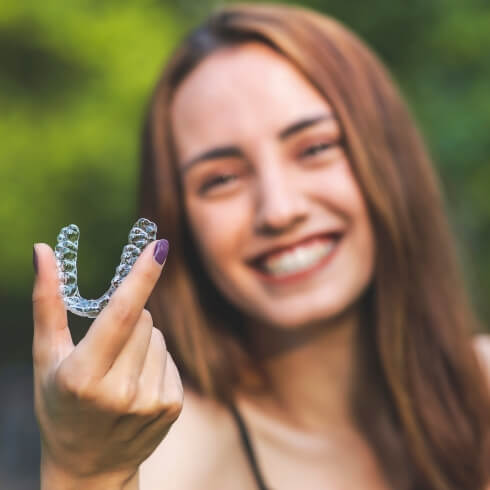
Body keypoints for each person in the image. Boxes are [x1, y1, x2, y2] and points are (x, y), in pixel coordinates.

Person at [32, 4, 490, 490]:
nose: (279, 209)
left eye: (314, 148)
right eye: (222, 179)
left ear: (390, 159)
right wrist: (85, 473)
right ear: (179, 221)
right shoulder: (162, 461)